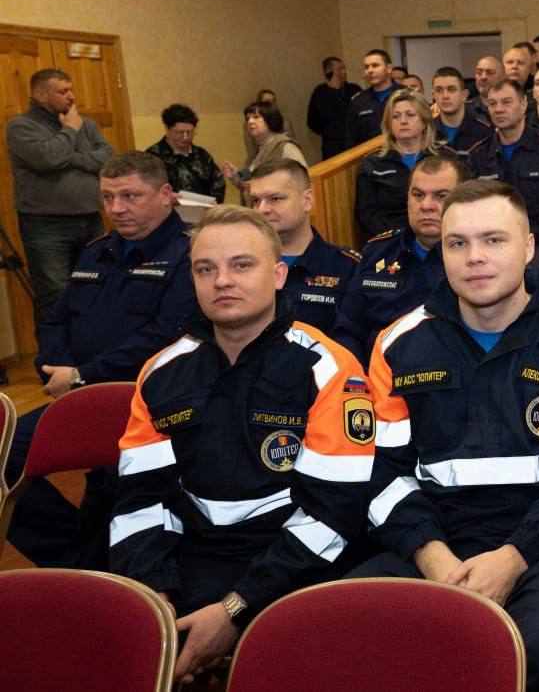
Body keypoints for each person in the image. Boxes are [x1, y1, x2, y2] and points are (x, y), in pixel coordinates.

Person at [355, 180, 539, 692]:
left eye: (494, 240)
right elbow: (381, 476)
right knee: (341, 631)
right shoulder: (397, 344)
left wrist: (513, 557)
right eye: (457, 243)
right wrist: (433, 556)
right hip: (432, 542)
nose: (474, 257)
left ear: (529, 247)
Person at [110, 205, 374, 684]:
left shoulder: (330, 368)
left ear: (278, 275)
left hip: (298, 565)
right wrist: (157, 598)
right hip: (191, 560)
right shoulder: (161, 372)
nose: (222, 281)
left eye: (241, 265)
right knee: (138, 652)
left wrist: (235, 608)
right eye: (205, 269)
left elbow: (334, 515)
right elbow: (139, 502)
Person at [7, 151, 195, 569]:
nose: (116, 208)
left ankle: (90, 564)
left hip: (144, 403)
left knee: (113, 492)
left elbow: (166, 336)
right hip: (77, 394)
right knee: (3, 450)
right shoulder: (97, 251)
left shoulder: (189, 253)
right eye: (108, 198)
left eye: (130, 196)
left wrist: (81, 375)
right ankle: (72, 560)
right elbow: (56, 320)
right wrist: (56, 370)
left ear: (166, 194)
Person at [332, 154, 468, 363]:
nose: (426, 205)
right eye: (418, 195)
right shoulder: (377, 253)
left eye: (441, 196)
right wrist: (357, 378)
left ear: (463, 201)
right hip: (378, 375)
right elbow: (348, 331)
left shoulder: (474, 258)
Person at [7, 68, 115, 320]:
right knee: (56, 296)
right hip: (47, 228)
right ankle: (56, 346)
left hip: (90, 220)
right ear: (41, 95)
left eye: (71, 90)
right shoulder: (21, 126)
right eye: (63, 91)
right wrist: (70, 131)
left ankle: (90, 343)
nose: (72, 96)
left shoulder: (86, 124)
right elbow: (48, 158)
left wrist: (71, 157)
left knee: (96, 288)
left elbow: (108, 159)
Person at [247, 159, 360, 333]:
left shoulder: (348, 267)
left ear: (307, 201)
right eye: (255, 200)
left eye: (275, 198)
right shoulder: (239, 266)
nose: (262, 209)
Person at [466, 78, 539, 251]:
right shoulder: (479, 154)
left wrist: (521, 237)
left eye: (506, 102)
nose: (498, 109)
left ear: (523, 105)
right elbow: (471, 208)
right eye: (492, 104)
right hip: (492, 245)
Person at [354, 89, 448, 239]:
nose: (403, 121)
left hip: (439, 237)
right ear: (389, 124)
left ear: (424, 122)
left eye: (410, 115)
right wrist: (398, 239)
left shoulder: (446, 158)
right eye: (396, 116)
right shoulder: (372, 164)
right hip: (391, 240)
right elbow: (367, 216)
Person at [222, 101, 305, 198]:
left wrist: (260, 183)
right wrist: (235, 176)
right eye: (248, 118)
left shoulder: (285, 146)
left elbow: (302, 179)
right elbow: (249, 181)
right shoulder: (257, 150)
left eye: (256, 117)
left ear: (270, 119)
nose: (250, 121)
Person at [146, 103, 225, 202]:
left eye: (189, 132)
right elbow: (146, 190)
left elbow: (218, 183)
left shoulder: (202, 155)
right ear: (167, 129)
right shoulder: (152, 157)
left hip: (205, 210)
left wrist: (214, 203)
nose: (185, 137)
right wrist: (167, 197)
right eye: (180, 132)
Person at [345, 49, 404, 149]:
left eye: (375, 65)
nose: (370, 70)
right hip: (371, 156)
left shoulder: (406, 95)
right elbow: (351, 141)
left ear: (389, 68)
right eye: (366, 67)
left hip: (403, 153)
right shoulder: (359, 101)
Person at [307, 56, 361, 159]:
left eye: (344, 68)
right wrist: (334, 92)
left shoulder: (354, 89)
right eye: (339, 69)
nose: (344, 72)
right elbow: (313, 122)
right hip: (333, 148)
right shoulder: (320, 92)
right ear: (328, 72)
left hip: (356, 144)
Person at [431, 66, 491, 156]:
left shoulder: (484, 131)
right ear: (434, 96)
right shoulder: (427, 132)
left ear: (464, 95)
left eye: (452, 89)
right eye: (439, 90)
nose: (445, 96)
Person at [246, 89, 299, 159]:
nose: (250, 121)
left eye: (273, 101)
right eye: (267, 101)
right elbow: (251, 152)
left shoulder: (286, 145)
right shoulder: (252, 127)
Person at [469, 55, 503, 119]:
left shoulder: (511, 107)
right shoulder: (465, 110)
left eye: (490, 72)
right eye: (479, 72)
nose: (483, 77)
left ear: (502, 77)